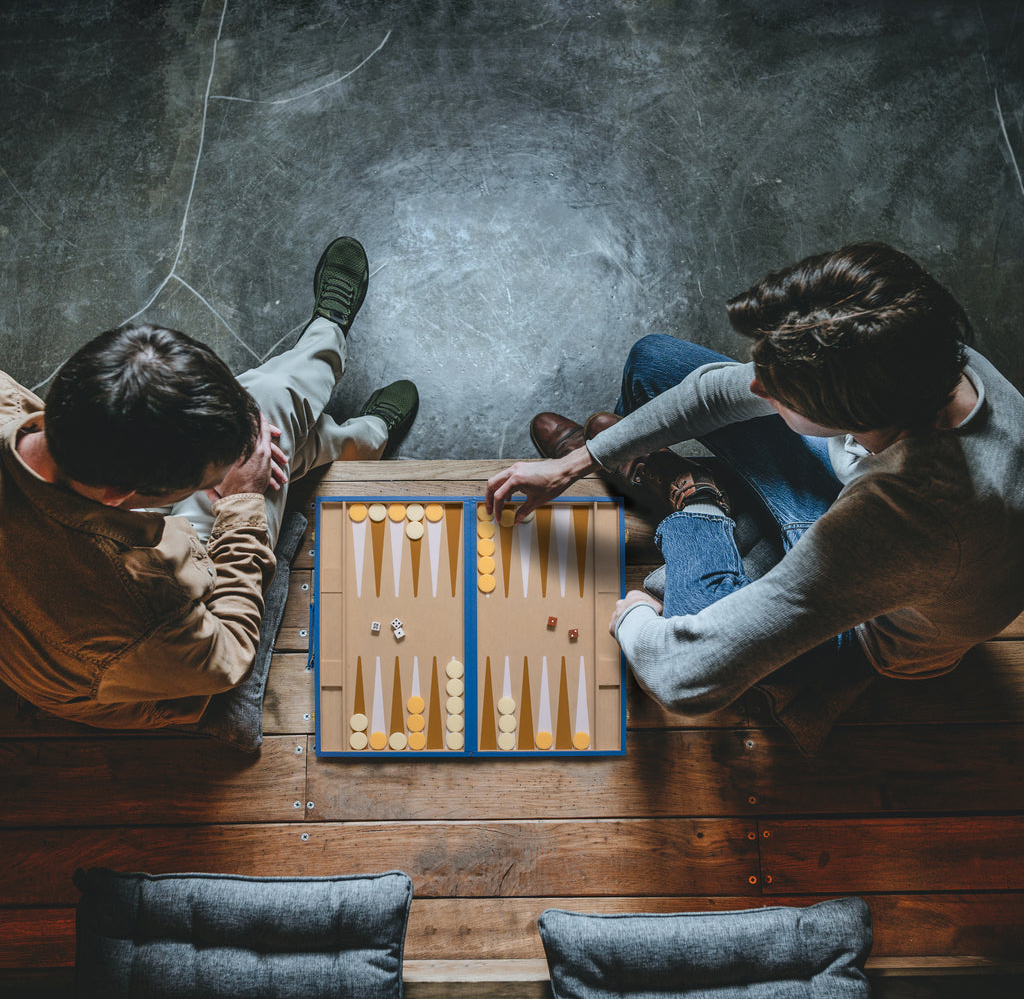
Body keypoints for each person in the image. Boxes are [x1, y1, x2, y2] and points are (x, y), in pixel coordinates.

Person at [486, 242, 1024, 751]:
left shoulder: (904, 519)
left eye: (777, 389)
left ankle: (698, 499)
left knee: (688, 615)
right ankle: (671, 480)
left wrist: (631, 619)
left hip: (865, 633)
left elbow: (686, 677)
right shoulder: (920, 355)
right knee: (653, 362)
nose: (756, 388)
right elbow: (714, 391)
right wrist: (575, 463)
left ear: (846, 418)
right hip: (871, 510)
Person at [0, 236, 418, 731]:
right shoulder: (142, 609)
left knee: (267, 427)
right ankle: (347, 396)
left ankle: (349, 420)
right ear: (125, 500)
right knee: (272, 407)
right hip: (136, 678)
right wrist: (241, 498)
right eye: (209, 479)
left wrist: (235, 461)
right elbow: (229, 656)